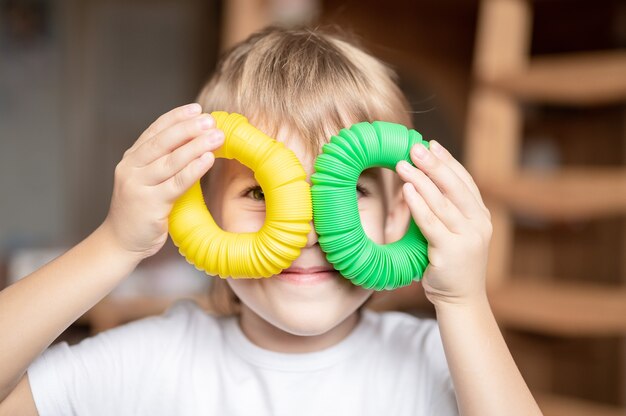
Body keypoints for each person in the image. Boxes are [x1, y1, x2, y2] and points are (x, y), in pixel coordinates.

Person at [0, 25, 541, 416]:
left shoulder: (438, 357)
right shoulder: (151, 359)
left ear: (401, 212)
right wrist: (115, 244)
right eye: (260, 191)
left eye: (350, 191)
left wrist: (463, 302)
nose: (307, 232)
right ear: (204, 214)